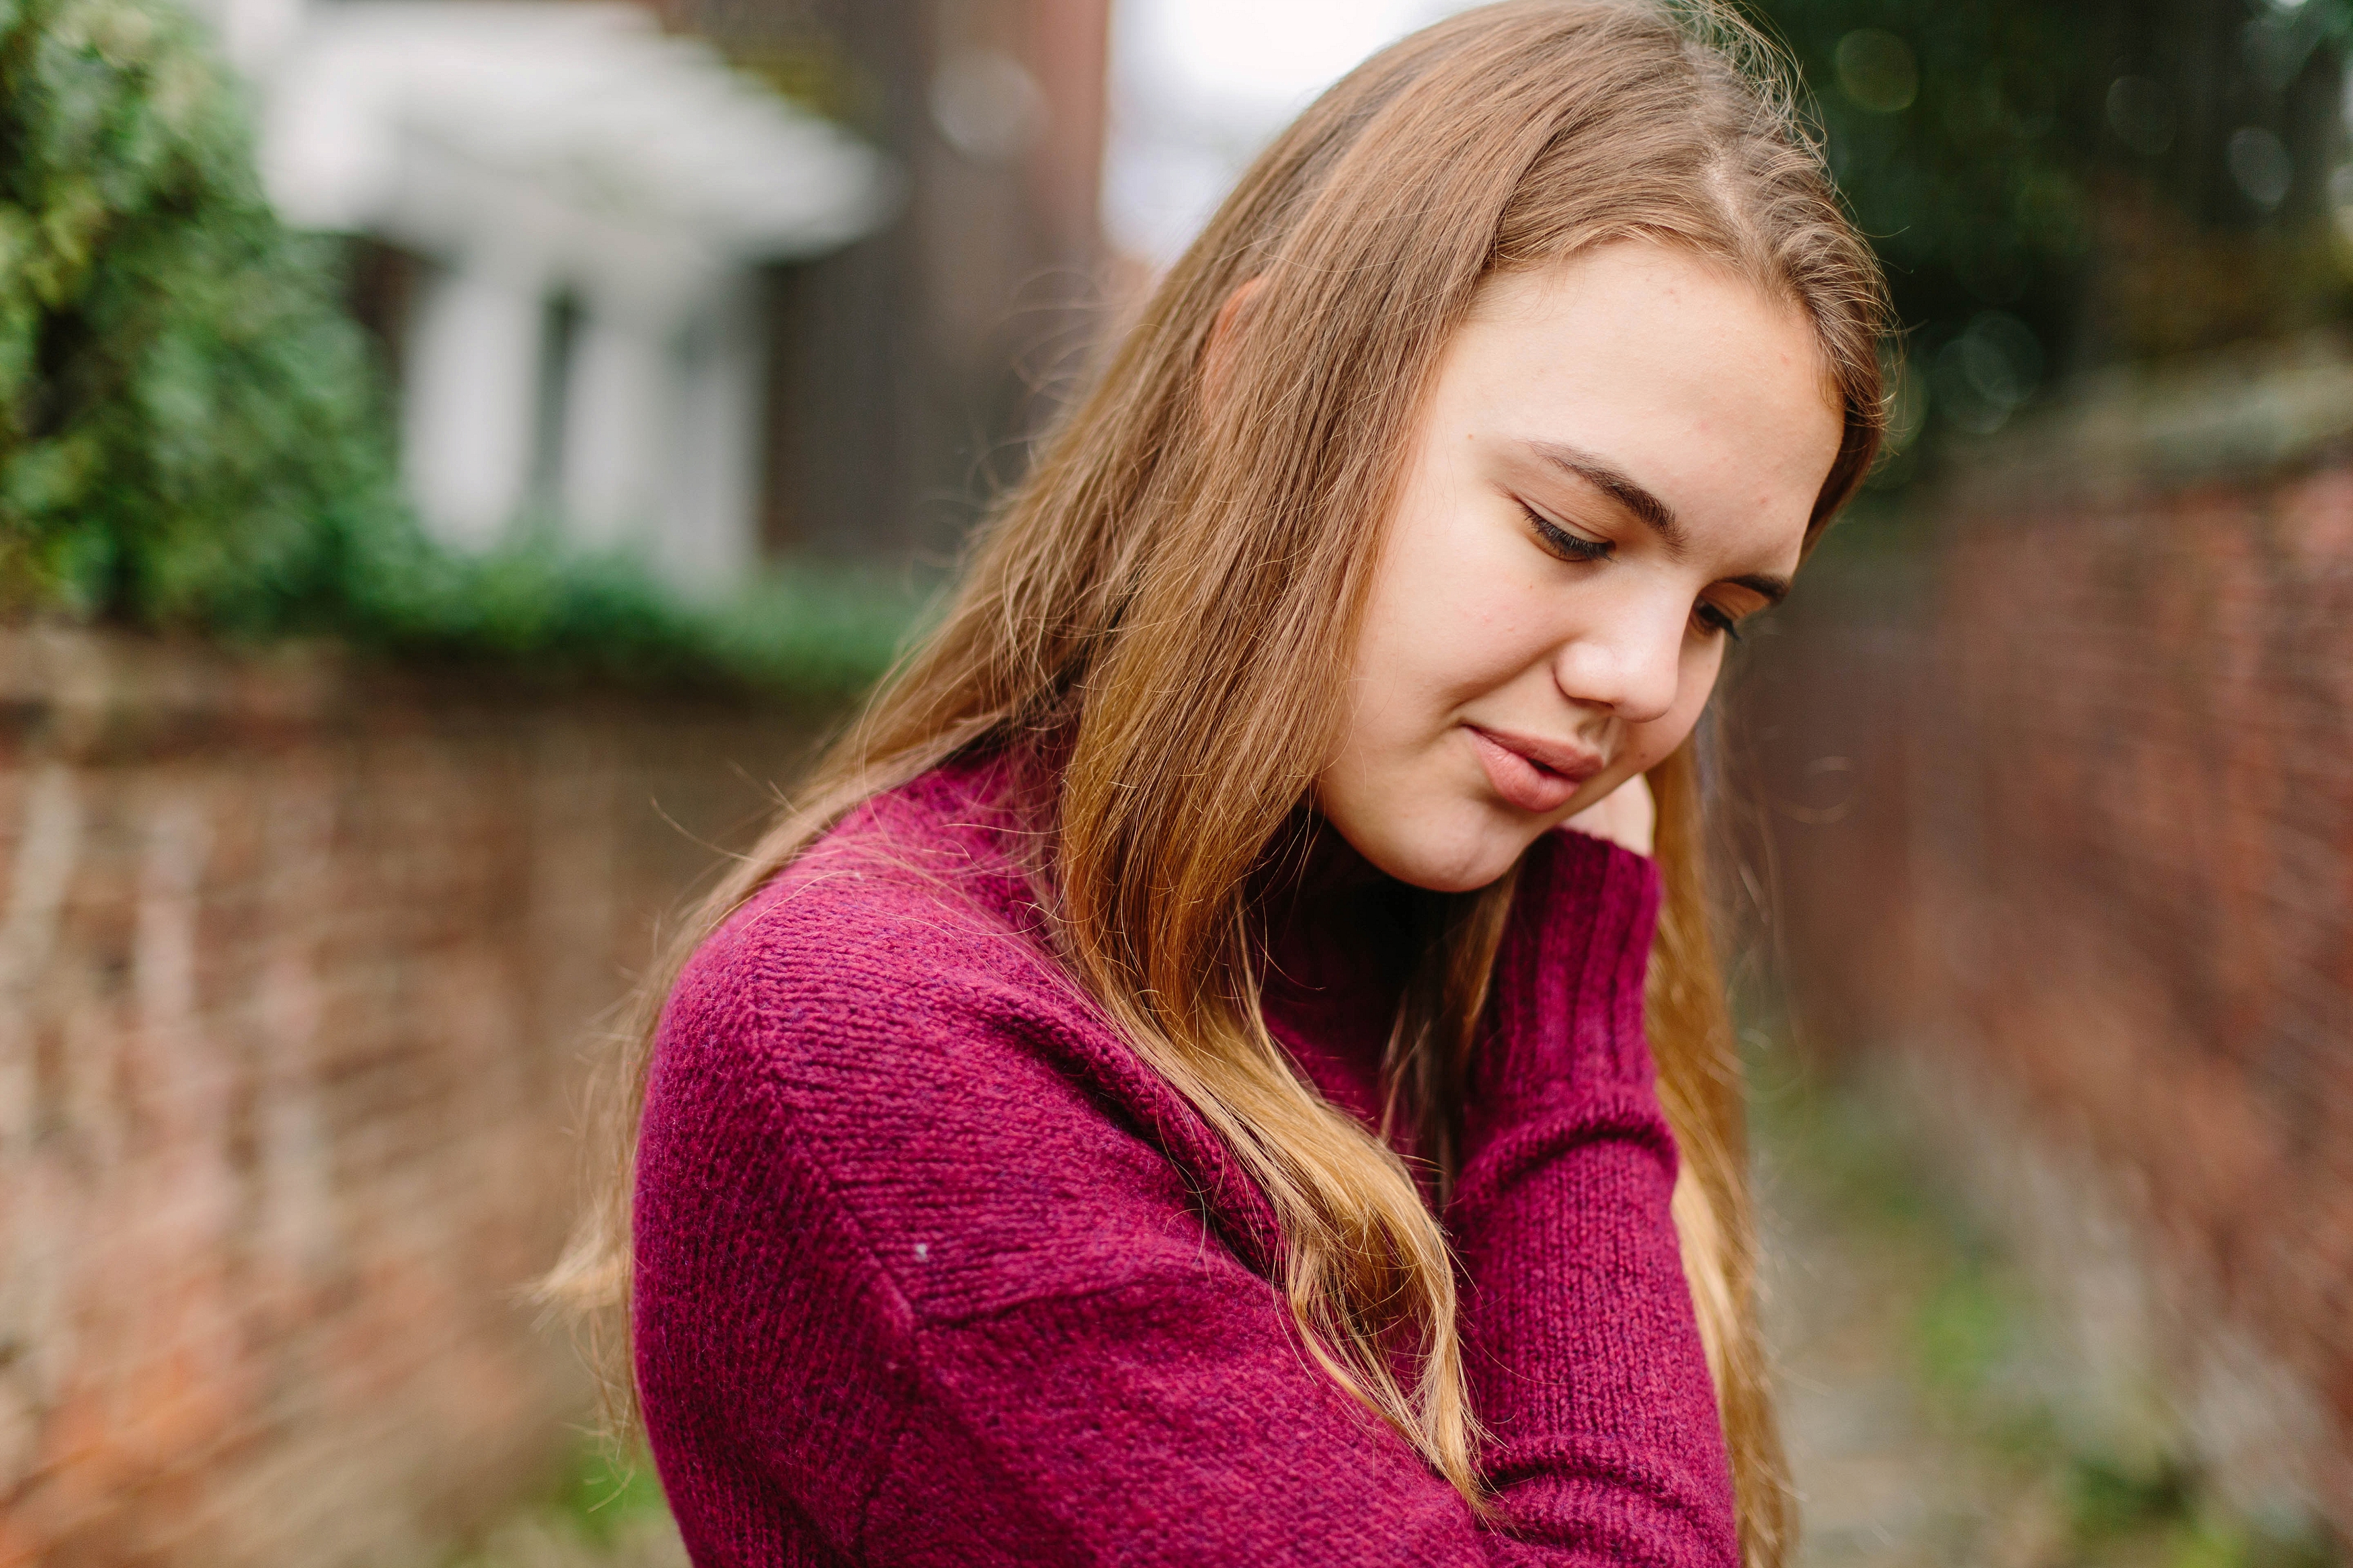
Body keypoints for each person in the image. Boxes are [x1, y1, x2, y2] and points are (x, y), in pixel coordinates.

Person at [546, 2, 1890, 1562]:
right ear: (1263, 385)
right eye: (1572, 534)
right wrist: (1573, 1052)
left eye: (1721, 614)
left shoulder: (1437, 959)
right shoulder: (873, 1039)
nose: (1644, 682)